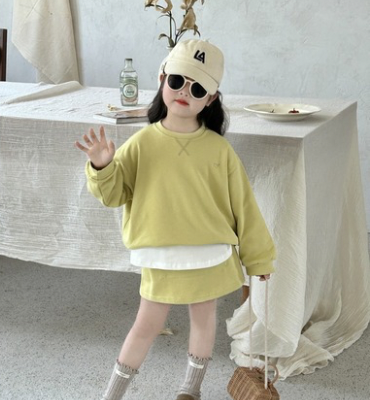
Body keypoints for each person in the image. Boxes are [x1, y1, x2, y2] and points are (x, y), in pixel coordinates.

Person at [75, 39, 276, 400]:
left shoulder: (220, 150)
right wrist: (102, 166)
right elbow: (113, 194)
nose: (185, 91)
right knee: (146, 324)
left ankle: (190, 389)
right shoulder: (142, 143)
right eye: (178, 81)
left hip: (210, 253)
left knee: (204, 320)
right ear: (162, 79)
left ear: (210, 99)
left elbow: (244, 207)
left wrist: (259, 258)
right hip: (161, 254)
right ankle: (112, 394)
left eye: (197, 88)